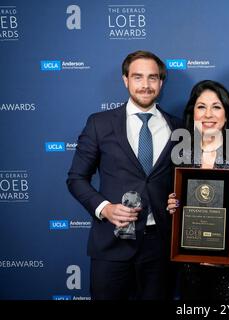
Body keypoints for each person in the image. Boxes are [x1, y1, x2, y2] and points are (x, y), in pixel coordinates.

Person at [67, 50, 182, 300]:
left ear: (161, 83)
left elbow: (184, 179)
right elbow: (76, 178)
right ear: (125, 80)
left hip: (160, 246)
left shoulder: (178, 127)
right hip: (111, 243)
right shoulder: (100, 123)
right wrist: (105, 208)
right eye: (138, 77)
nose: (145, 85)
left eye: (153, 78)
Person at [167, 80, 229, 300]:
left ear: (226, 113)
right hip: (190, 264)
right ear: (193, 112)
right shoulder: (182, 154)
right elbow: (178, 206)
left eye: (216, 107)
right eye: (201, 107)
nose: (208, 114)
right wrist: (173, 205)